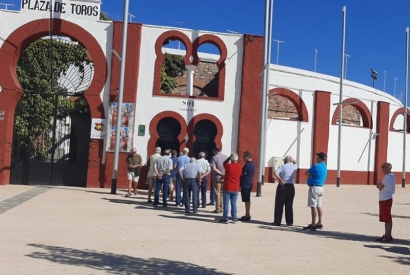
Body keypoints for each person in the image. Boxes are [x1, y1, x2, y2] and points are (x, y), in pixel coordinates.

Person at [303, 152, 328, 230]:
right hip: (321, 187)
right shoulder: (324, 167)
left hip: (314, 187)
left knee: (313, 206)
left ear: (319, 158)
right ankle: (320, 222)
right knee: (319, 205)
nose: (316, 158)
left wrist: (310, 175)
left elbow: (306, 173)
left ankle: (313, 224)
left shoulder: (316, 166)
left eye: (317, 157)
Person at [272, 156, 298, 226]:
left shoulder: (282, 167)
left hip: (283, 185)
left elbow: (275, 173)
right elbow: (296, 162)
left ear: (285, 161)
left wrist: (279, 179)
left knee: (279, 204)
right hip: (291, 186)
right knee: (289, 204)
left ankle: (277, 221)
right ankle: (289, 222)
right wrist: (293, 160)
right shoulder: (293, 167)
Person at [219, 153, 242, 224]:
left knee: (226, 203)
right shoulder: (240, 166)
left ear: (231, 159)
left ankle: (225, 218)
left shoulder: (228, 166)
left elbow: (224, 163)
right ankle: (234, 218)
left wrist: (229, 158)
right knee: (234, 203)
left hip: (227, 187)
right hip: (235, 187)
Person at [376, 162, 396, 242]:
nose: (382, 169)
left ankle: (388, 235)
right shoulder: (391, 176)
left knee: (387, 218)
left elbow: (379, 186)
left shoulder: (388, 177)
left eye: (383, 167)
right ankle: (387, 234)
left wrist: (379, 185)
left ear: (388, 168)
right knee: (387, 218)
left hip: (385, 199)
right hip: (386, 199)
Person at [239, 151, 255, 221]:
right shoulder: (252, 164)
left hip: (246, 184)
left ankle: (247, 214)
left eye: (244, 157)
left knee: (247, 200)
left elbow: (241, 173)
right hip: (249, 183)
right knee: (247, 200)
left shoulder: (248, 165)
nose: (243, 158)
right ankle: (247, 214)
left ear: (248, 157)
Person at [210, 147, 228, 213]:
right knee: (222, 193)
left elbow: (214, 168)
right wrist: (224, 174)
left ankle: (218, 208)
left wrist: (221, 173)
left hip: (216, 177)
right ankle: (221, 207)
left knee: (217, 193)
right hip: (224, 177)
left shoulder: (214, 157)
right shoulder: (226, 157)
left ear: (215, 151)